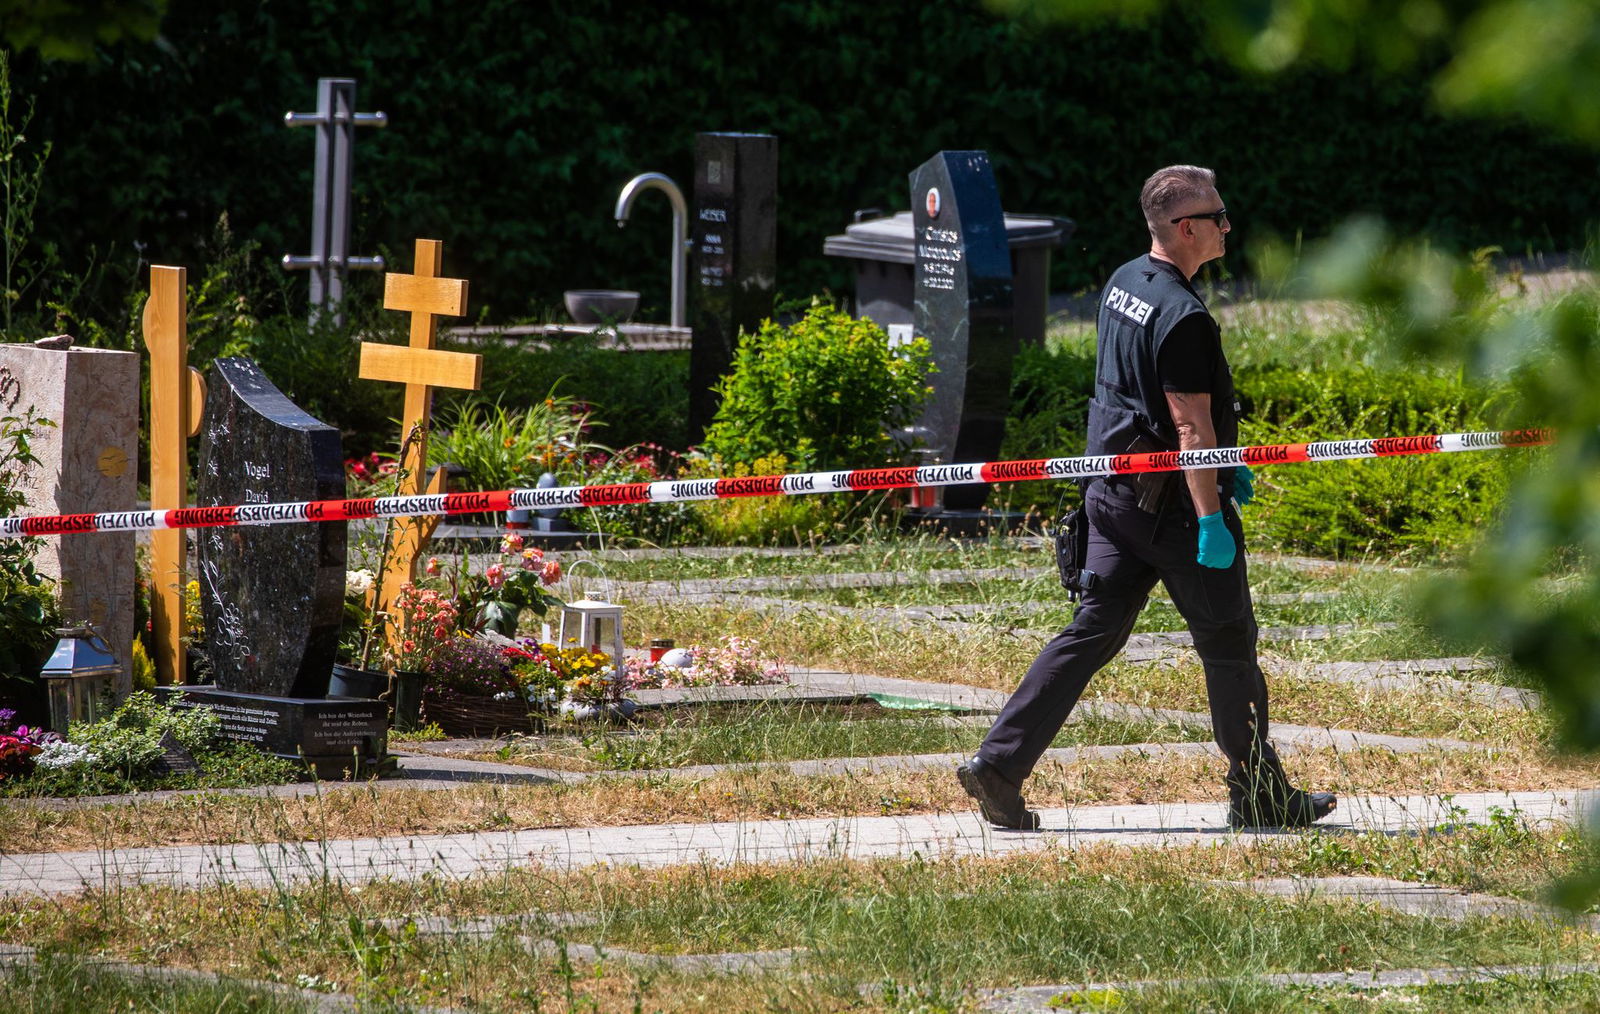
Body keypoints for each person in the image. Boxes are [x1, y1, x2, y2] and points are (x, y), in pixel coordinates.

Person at [957, 164, 1335, 831]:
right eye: (1218, 216)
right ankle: (1260, 795)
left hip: (1113, 497)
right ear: (1186, 228)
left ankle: (999, 765)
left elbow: (1131, 396)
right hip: (1174, 512)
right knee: (1227, 642)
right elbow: (1189, 426)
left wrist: (1229, 461)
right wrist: (1213, 513)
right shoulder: (1183, 315)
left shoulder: (1126, 281)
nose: (1227, 225)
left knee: (1091, 632)